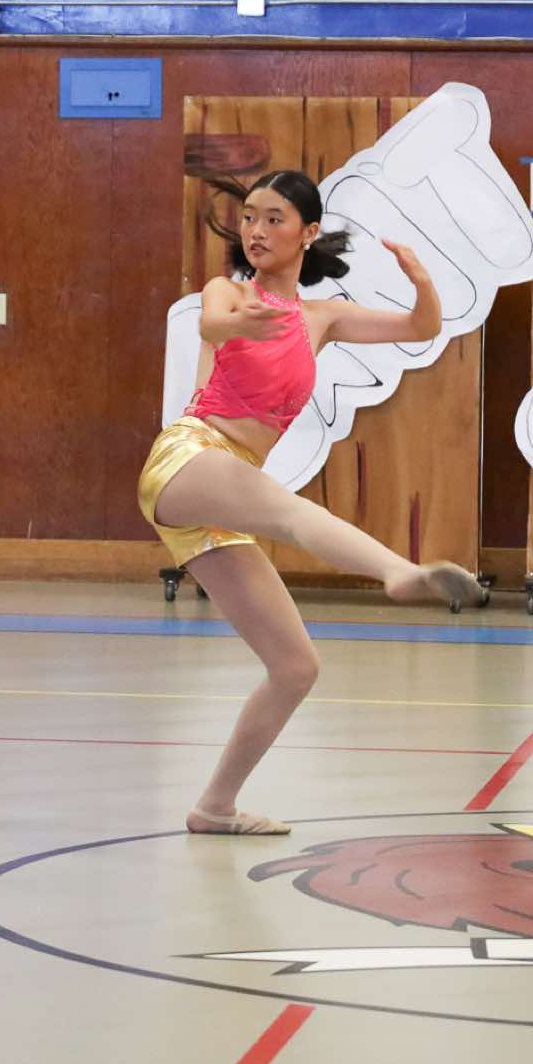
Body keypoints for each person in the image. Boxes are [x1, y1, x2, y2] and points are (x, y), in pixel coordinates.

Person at [138, 169, 484, 836]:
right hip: (190, 455)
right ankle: (398, 572)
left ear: (308, 232)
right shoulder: (229, 293)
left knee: (295, 667)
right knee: (294, 513)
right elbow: (212, 321)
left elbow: (422, 326)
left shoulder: (321, 318)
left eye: (274, 218)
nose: (257, 230)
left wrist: (421, 280)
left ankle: (214, 806)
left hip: (222, 494)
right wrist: (241, 322)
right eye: (250, 217)